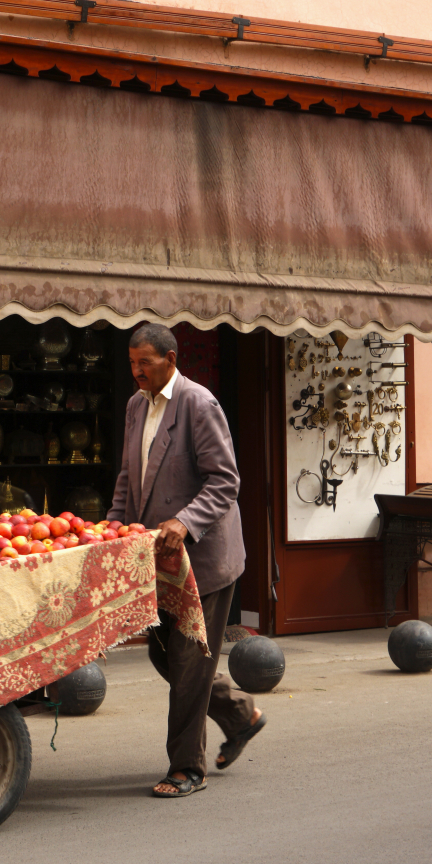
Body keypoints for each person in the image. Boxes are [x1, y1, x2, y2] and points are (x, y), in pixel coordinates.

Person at [108, 323, 265, 799]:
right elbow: (127, 477)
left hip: (205, 558)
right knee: (164, 654)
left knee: (189, 660)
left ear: (171, 360)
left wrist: (185, 521)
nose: (136, 372)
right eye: (132, 363)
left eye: (145, 363)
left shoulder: (199, 404)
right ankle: (240, 715)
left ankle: (186, 768)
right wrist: (114, 526)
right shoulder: (137, 406)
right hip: (157, 560)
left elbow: (225, 481)